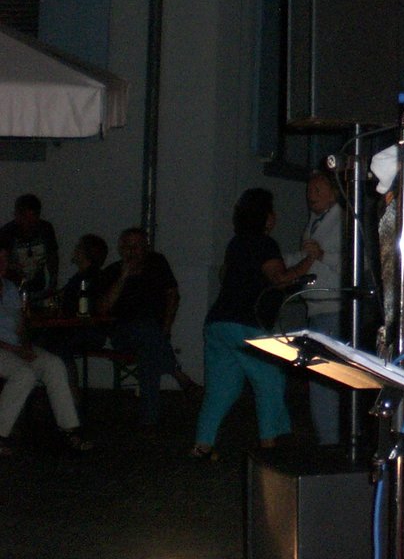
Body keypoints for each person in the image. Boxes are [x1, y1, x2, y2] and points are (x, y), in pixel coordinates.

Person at [191, 188, 316, 459]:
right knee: (270, 381)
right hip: (247, 324)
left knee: (221, 389)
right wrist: (309, 261)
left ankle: (203, 445)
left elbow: (227, 275)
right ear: (267, 217)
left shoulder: (235, 243)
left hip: (219, 323)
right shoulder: (264, 244)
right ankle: (270, 446)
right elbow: (279, 279)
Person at [99, 227, 199, 426]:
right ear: (120, 248)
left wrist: (166, 328)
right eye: (127, 246)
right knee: (147, 332)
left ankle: (149, 419)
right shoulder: (112, 272)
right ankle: (179, 376)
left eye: (136, 246)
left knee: (149, 354)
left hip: (155, 333)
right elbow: (102, 309)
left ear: (145, 248)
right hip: (124, 333)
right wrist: (123, 277)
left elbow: (172, 295)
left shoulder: (156, 263)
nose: (132, 251)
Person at [0, 244, 92, 454]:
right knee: (24, 374)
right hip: (3, 347)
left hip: (15, 346)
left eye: (4, 259)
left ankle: (69, 429)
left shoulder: (10, 288)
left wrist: (25, 345)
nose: (2, 264)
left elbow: (21, 324)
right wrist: (15, 350)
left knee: (54, 364)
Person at [298, 170, 342, 445]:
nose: (310, 196)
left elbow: (354, 262)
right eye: (309, 191)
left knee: (324, 377)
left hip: (332, 308)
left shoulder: (343, 220)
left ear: (333, 193)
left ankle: (330, 440)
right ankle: (327, 438)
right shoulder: (315, 221)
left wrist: (322, 255)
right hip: (316, 308)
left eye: (317, 190)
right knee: (318, 376)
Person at [33, 234, 110, 384]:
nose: (74, 250)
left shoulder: (89, 279)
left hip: (85, 331)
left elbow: (79, 308)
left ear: (85, 253)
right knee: (45, 341)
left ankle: (69, 391)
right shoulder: (81, 277)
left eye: (78, 247)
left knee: (54, 344)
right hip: (77, 329)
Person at [0, 193, 59, 297]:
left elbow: (52, 257)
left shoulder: (45, 229)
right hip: (13, 290)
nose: (28, 224)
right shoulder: (7, 233)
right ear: (17, 215)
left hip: (38, 288)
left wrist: (52, 284)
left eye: (33, 219)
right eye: (25, 219)